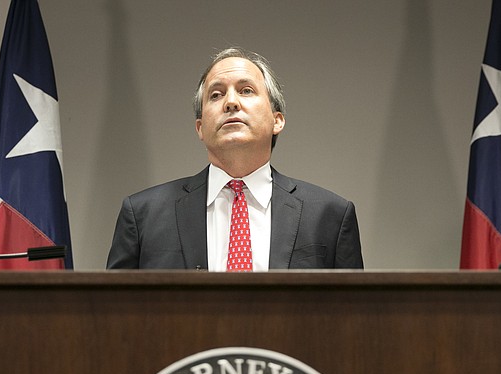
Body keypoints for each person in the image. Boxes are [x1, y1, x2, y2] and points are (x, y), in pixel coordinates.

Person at [106, 47, 363, 270]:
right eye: (216, 95)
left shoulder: (331, 216)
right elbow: (113, 317)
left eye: (246, 90)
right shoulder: (142, 216)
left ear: (277, 120)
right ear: (200, 127)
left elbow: (354, 320)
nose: (231, 102)